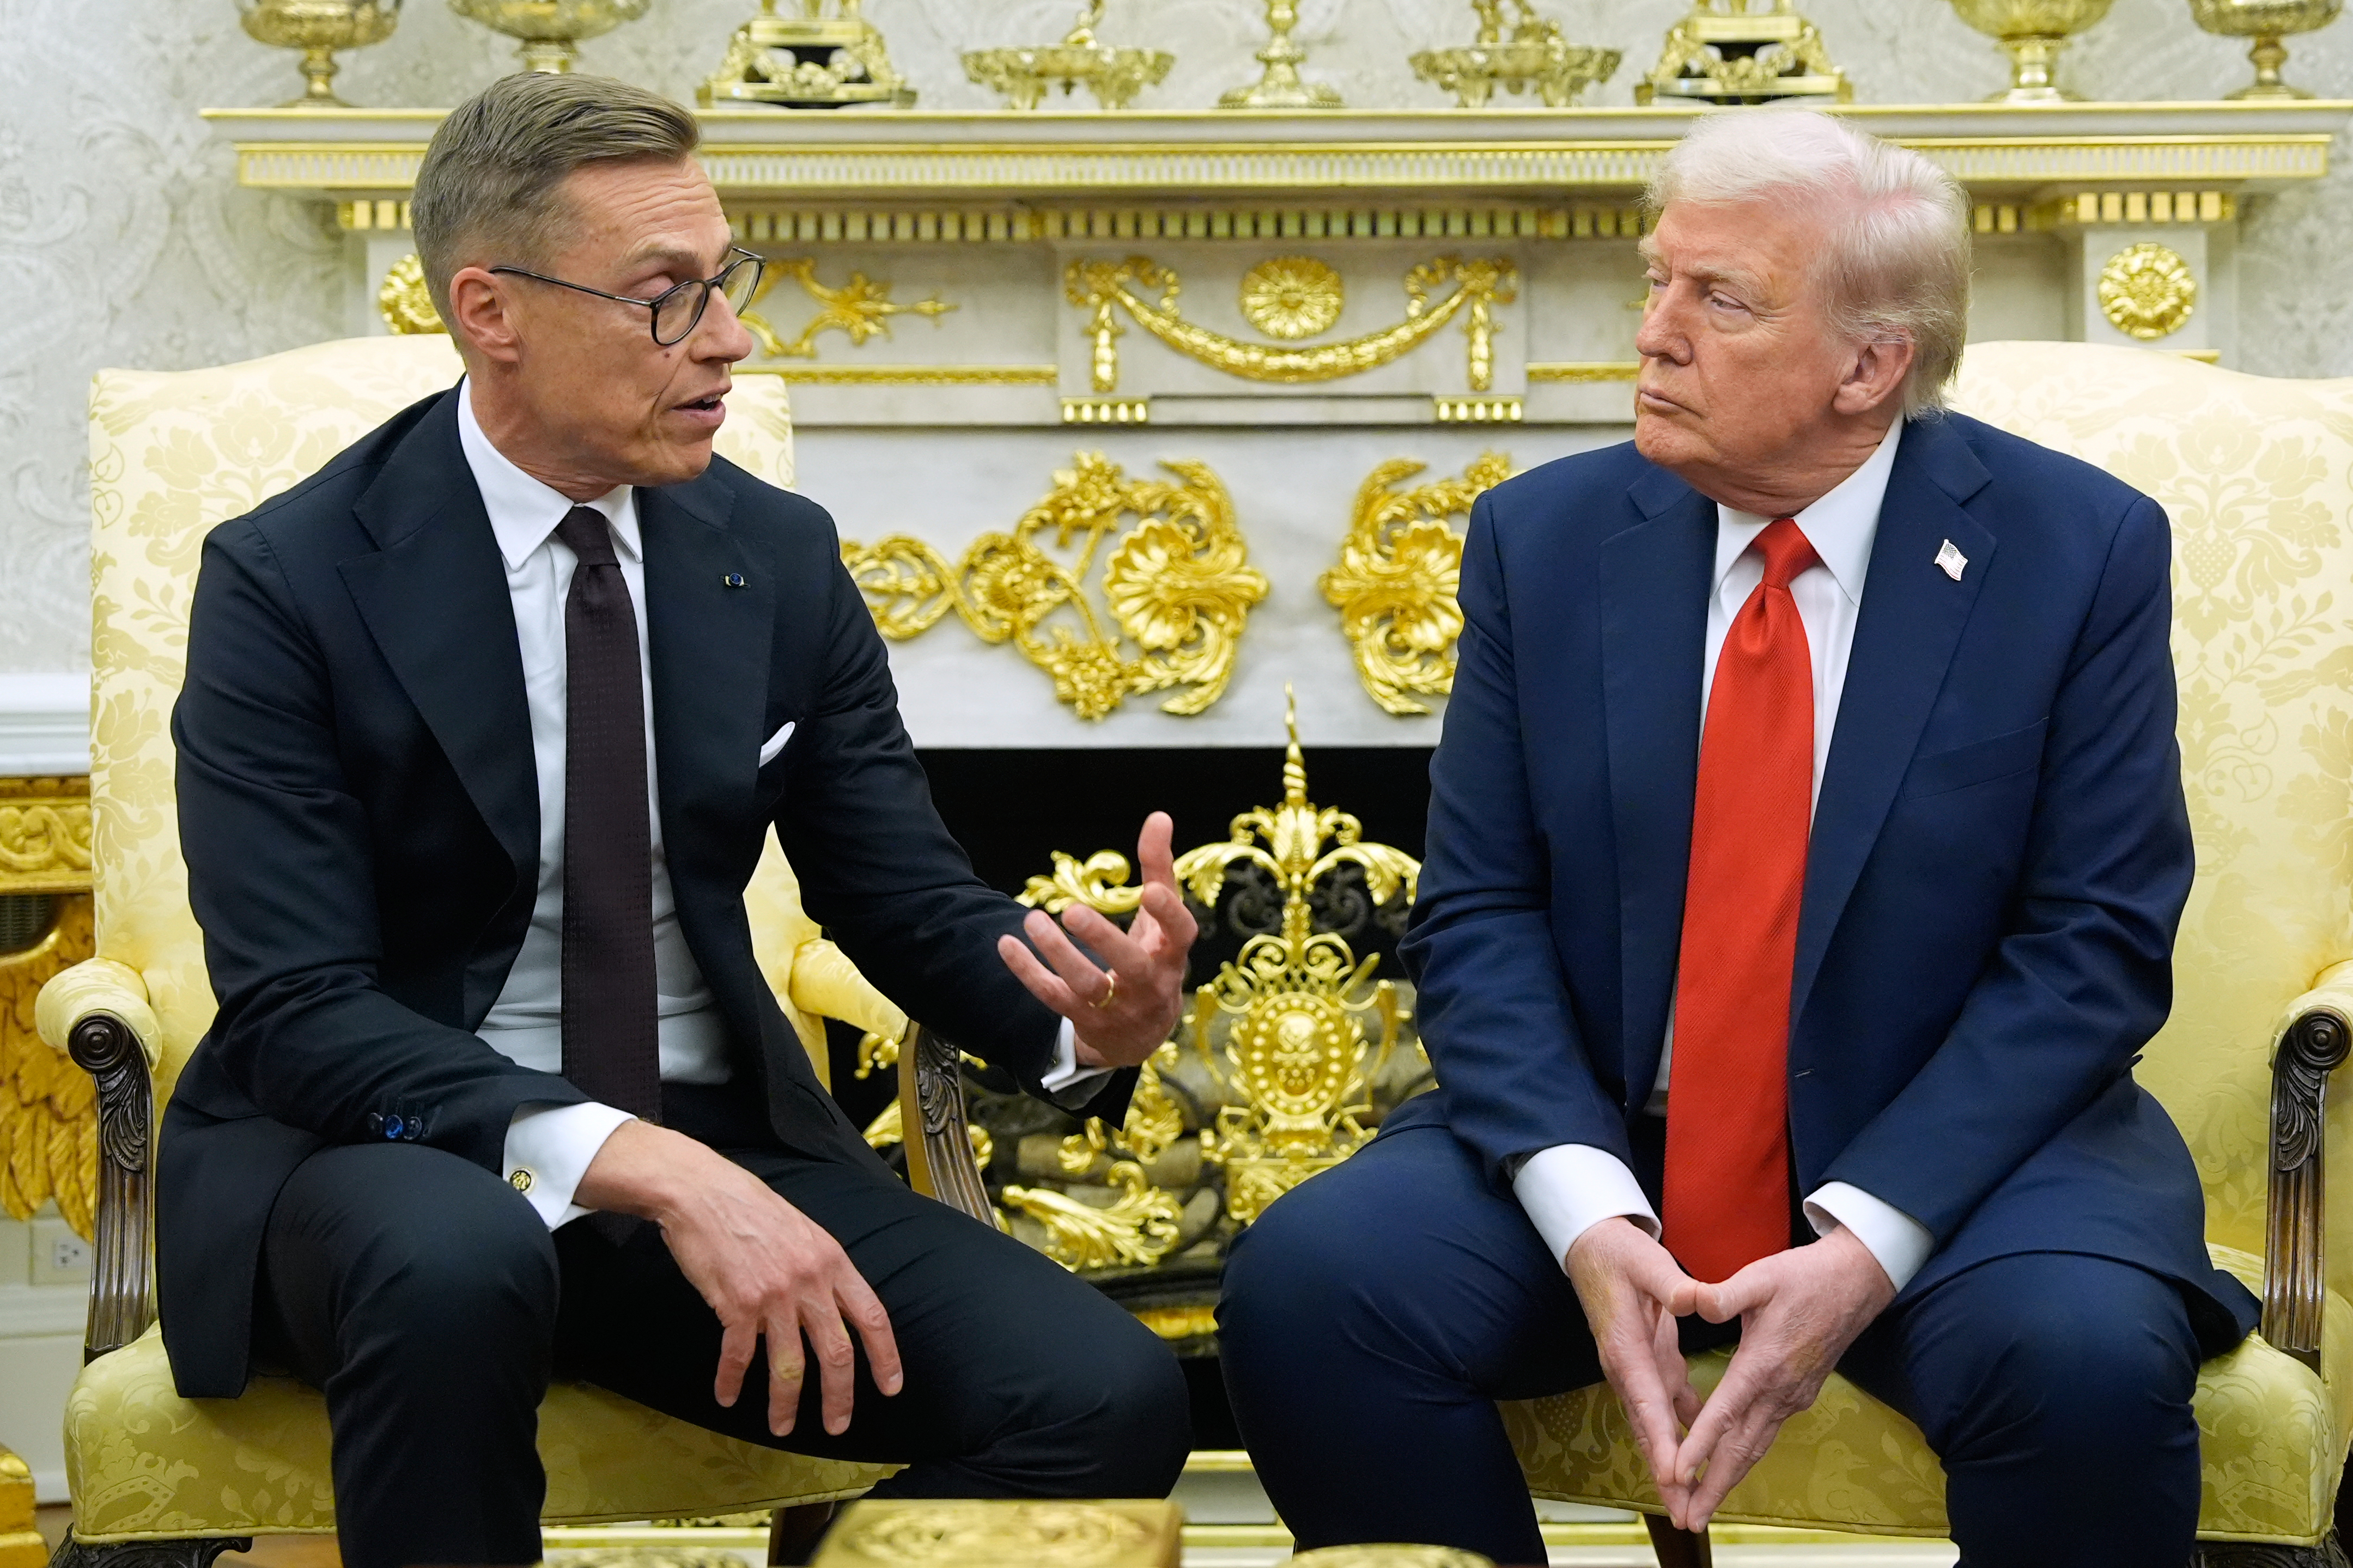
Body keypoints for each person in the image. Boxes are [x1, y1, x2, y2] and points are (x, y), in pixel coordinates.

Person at [161, 72, 1197, 1568]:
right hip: (387, 1157)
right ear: (490, 309)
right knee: (459, 1261)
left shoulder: (772, 555)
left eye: (725, 283)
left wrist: (1077, 1018)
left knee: (1104, 1394)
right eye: (666, 298)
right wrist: (639, 1163)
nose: (729, 339)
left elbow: (898, 890)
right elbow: (300, 1012)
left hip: (719, 1140)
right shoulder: (292, 580)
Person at [1219, 108, 2257, 1568]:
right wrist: (1583, 1210)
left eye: (1719, 300)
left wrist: (1870, 1235)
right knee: (1311, 1290)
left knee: (2080, 1363)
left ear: (1870, 363)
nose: (1652, 335)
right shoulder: (1546, 541)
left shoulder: (2073, 548)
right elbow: (1483, 913)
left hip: (1966, 1160)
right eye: (1656, 283)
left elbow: (2090, 942)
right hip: (1608, 1125)